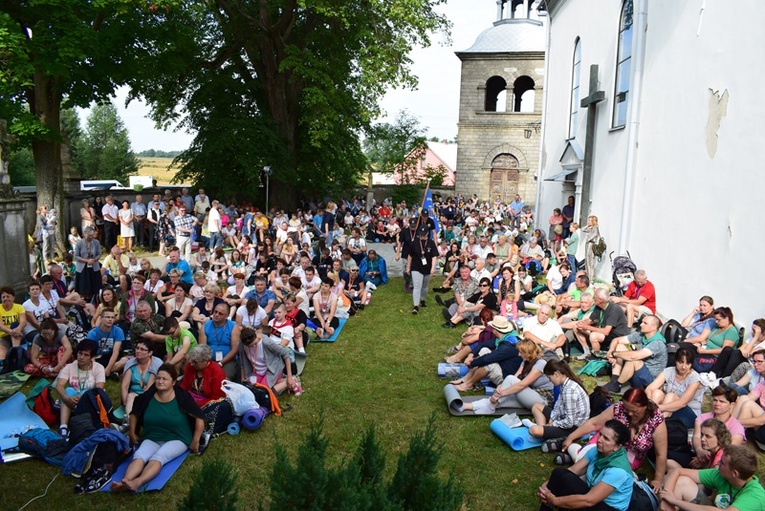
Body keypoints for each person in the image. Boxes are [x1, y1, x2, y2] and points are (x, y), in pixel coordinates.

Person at [111, 364, 205, 493]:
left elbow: (200, 418)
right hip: (152, 436)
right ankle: (125, 481)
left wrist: (195, 440)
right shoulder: (148, 397)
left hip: (177, 438)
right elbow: (134, 413)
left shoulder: (182, 397)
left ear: (173, 382)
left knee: (158, 457)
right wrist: (132, 433)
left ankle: (138, 482)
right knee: (139, 456)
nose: (160, 381)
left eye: (165, 379)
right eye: (158, 378)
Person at [562, 388, 668, 494]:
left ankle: (575, 453)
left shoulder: (656, 419)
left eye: (634, 411)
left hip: (629, 455)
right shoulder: (618, 408)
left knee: (602, 471)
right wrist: (571, 437)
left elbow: (661, 454)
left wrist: (658, 479)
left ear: (644, 406)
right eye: (627, 409)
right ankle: (577, 456)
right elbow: (594, 423)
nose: (630, 414)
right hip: (607, 441)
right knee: (594, 462)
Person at [538, 419, 633, 511]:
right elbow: (573, 470)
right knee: (559, 472)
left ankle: (554, 505)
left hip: (607, 507)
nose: (599, 440)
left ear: (617, 447)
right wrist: (546, 487)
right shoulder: (597, 451)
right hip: (594, 497)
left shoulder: (618, 471)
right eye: (600, 434)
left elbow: (589, 500)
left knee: (568, 481)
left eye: (606, 439)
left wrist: (555, 501)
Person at [659, 445, 765, 511]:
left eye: (722, 463)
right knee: (682, 482)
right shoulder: (720, 474)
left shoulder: (755, 496)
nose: (718, 464)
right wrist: (667, 497)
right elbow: (676, 471)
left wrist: (675, 502)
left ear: (734, 473)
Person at [476, 339, 553, 413]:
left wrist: (501, 393)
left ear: (528, 353)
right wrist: (500, 386)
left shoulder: (540, 364)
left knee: (509, 380)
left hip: (543, 399)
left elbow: (522, 384)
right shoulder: (525, 362)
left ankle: (492, 405)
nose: (519, 355)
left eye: (521, 352)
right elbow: (516, 376)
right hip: (532, 394)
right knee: (503, 402)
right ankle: (467, 406)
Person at [526, 360, 590, 444]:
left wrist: (553, 424)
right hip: (563, 418)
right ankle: (543, 430)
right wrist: (552, 418)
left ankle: (542, 431)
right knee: (536, 406)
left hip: (574, 428)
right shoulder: (565, 384)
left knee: (533, 430)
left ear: (556, 374)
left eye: (550, 378)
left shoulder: (569, 391)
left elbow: (569, 422)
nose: (550, 381)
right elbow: (558, 405)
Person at [601, 314, 667, 393]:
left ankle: (617, 384)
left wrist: (614, 354)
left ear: (653, 327)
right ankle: (614, 380)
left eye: (645, 323)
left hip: (648, 381)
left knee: (633, 360)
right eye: (642, 322)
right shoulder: (642, 335)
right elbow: (617, 340)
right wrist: (611, 351)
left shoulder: (657, 343)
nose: (641, 325)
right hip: (639, 371)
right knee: (620, 346)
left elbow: (634, 356)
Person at [56, 339, 105, 438]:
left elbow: (99, 388)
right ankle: (63, 427)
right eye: (80, 353)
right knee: (68, 391)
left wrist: (82, 397)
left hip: (89, 400)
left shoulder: (98, 368)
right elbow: (59, 385)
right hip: (72, 400)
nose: (81, 357)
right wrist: (65, 397)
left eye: (86, 355)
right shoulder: (70, 367)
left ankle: (81, 424)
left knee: (86, 393)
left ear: (92, 357)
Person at [646, 348, 704, 428]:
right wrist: (650, 404)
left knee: (671, 396)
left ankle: (654, 425)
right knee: (656, 393)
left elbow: (682, 403)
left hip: (688, 412)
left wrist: (657, 408)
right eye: (681, 362)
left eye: (688, 364)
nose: (684, 367)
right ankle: (649, 419)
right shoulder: (669, 371)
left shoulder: (695, 379)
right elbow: (649, 389)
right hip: (667, 408)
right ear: (676, 361)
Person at [573, 288, 631, 353]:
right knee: (576, 327)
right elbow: (589, 320)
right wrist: (581, 324)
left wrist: (586, 327)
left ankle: (596, 357)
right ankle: (587, 352)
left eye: (594, 297)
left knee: (594, 336)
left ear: (600, 300)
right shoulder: (598, 307)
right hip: (604, 332)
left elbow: (606, 331)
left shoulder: (614, 309)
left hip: (615, 335)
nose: (593, 298)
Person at [120, 339, 163, 416]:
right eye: (137, 348)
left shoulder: (156, 364)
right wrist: (125, 403)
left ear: (150, 353)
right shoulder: (130, 364)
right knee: (130, 396)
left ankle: (128, 423)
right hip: (132, 396)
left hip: (149, 396)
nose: (138, 351)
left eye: (142, 349)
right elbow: (124, 386)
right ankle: (129, 419)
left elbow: (149, 390)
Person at [199, 303, 239, 380]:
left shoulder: (234, 326)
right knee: (206, 378)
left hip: (228, 360)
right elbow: (202, 348)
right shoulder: (205, 326)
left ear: (227, 316)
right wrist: (209, 363)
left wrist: (221, 363)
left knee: (223, 380)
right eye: (215, 312)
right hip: (209, 360)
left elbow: (235, 350)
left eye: (220, 313)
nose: (216, 315)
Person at [406, 225, 438, 314]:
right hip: (416, 267)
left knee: (425, 286)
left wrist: (433, 267)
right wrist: (408, 267)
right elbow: (410, 256)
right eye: (421, 234)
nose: (422, 236)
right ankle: (416, 305)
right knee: (417, 286)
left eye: (424, 234)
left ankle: (423, 299)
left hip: (427, 268)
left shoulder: (431, 243)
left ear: (427, 233)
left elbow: (434, 256)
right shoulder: (414, 243)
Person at [73, 227, 102, 301]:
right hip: (83, 267)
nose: (91, 237)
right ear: (85, 234)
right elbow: (76, 256)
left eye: (92, 235)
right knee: (84, 286)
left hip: (94, 266)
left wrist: (94, 259)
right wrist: (86, 261)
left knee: (94, 286)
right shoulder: (79, 243)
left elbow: (99, 254)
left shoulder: (96, 242)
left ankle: (94, 300)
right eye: (89, 235)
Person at [0, 286, 27, 363]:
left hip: (18, 334)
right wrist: (11, 332)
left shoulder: (19, 307)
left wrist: (17, 329)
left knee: (15, 324)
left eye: (8, 296)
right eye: (3, 297)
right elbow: (1, 325)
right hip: (3, 336)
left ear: (13, 298)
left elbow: (23, 321)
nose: (6, 299)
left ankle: (16, 352)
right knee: (2, 355)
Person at [581, 215, 601, 281]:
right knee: (586, 260)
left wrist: (588, 239)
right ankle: (588, 276)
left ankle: (591, 278)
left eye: (589, 221)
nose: (588, 222)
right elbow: (582, 229)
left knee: (590, 261)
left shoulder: (595, 228)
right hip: (587, 244)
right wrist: (587, 225)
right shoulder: (590, 228)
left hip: (591, 244)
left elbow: (595, 234)